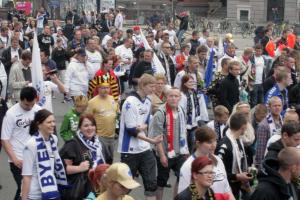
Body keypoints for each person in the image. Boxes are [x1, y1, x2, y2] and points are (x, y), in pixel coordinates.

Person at [117, 74, 163, 200]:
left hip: (144, 148)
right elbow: (132, 130)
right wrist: (151, 140)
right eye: (151, 86)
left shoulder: (148, 101)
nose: (154, 89)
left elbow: (146, 122)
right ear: (142, 86)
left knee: (151, 183)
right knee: (126, 185)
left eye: (155, 86)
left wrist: (143, 127)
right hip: (129, 150)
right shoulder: (130, 102)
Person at [149, 87, 189, 200]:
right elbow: (157, 138)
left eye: (176, 96)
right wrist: (162, 156)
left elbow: (183, 131)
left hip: (179, 153)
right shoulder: (160, 113)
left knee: (182, 178)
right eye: (171, 96)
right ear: (166, 97)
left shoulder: (181, 110)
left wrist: (186, 150)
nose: (173, 98)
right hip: (165, 154)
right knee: (161, 183)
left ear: (180, 98)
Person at [1, 87, 41, 200]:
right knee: (23, 188)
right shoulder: (11, 113)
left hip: (34, 157)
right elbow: (5, 139)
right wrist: (14, 159)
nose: (29, 107)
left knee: (29, 190)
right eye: (26, 105)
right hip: (18, 158)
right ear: (20, 99)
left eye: (32, 104)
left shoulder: (39, 111)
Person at [21, 109, 67, 200]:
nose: (53, 124)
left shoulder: (53, 139)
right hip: (33, 195)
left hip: (51, 191)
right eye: (49, 122)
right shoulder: (31, 144)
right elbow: (26, 175)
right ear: (39, 124)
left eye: (53, 121)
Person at [178, 126, 235, 199]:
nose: (214, 145)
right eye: (209, 142)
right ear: (198, 143)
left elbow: (226, 189)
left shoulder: (218, 160)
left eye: (215, 141)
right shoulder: (188, 166)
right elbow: (185, 195)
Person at [60, 114, 106, 199]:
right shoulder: (72, 144)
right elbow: (62, 169)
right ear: (80, 128)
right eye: (86, 125)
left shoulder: (100, 143)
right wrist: (79, 168)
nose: (90, 128)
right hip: (81, 191)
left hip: (99, 187)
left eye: (92, 125)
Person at [216, 113, 252, 200]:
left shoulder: (238, 140)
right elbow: (218, 173)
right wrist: (237, 176)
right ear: (243, 127)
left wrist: (246, 170)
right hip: (227, 188)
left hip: (238, 186)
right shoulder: (224, 145)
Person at [86, 78, 118, 164]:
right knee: (102, 161)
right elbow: (87, 119)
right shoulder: (92, 102)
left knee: (110, 160)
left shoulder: (113, 99)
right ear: (98, 88)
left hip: (112, 136)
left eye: (107, 88)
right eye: (103, 88)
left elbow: (117, 114)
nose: (105, 90)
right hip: (100, 136)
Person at [179, 75, 208, 152]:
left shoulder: (194, 93)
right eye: (190, 82)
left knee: (193, 142)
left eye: (193, 81)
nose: (192, 83)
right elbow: (182, 110)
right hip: (186, 123)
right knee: (188, 142)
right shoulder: (182, 95)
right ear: (184, 83)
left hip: (194, 122)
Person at [256, 96, 283, 167]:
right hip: (269, 160)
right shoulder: (263, 125)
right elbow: (260, 149)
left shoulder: (283, 120)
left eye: (279, 105)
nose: (277, 108)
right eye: (275, 106)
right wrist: (259, 165)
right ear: (269, 107)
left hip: (281, 158)